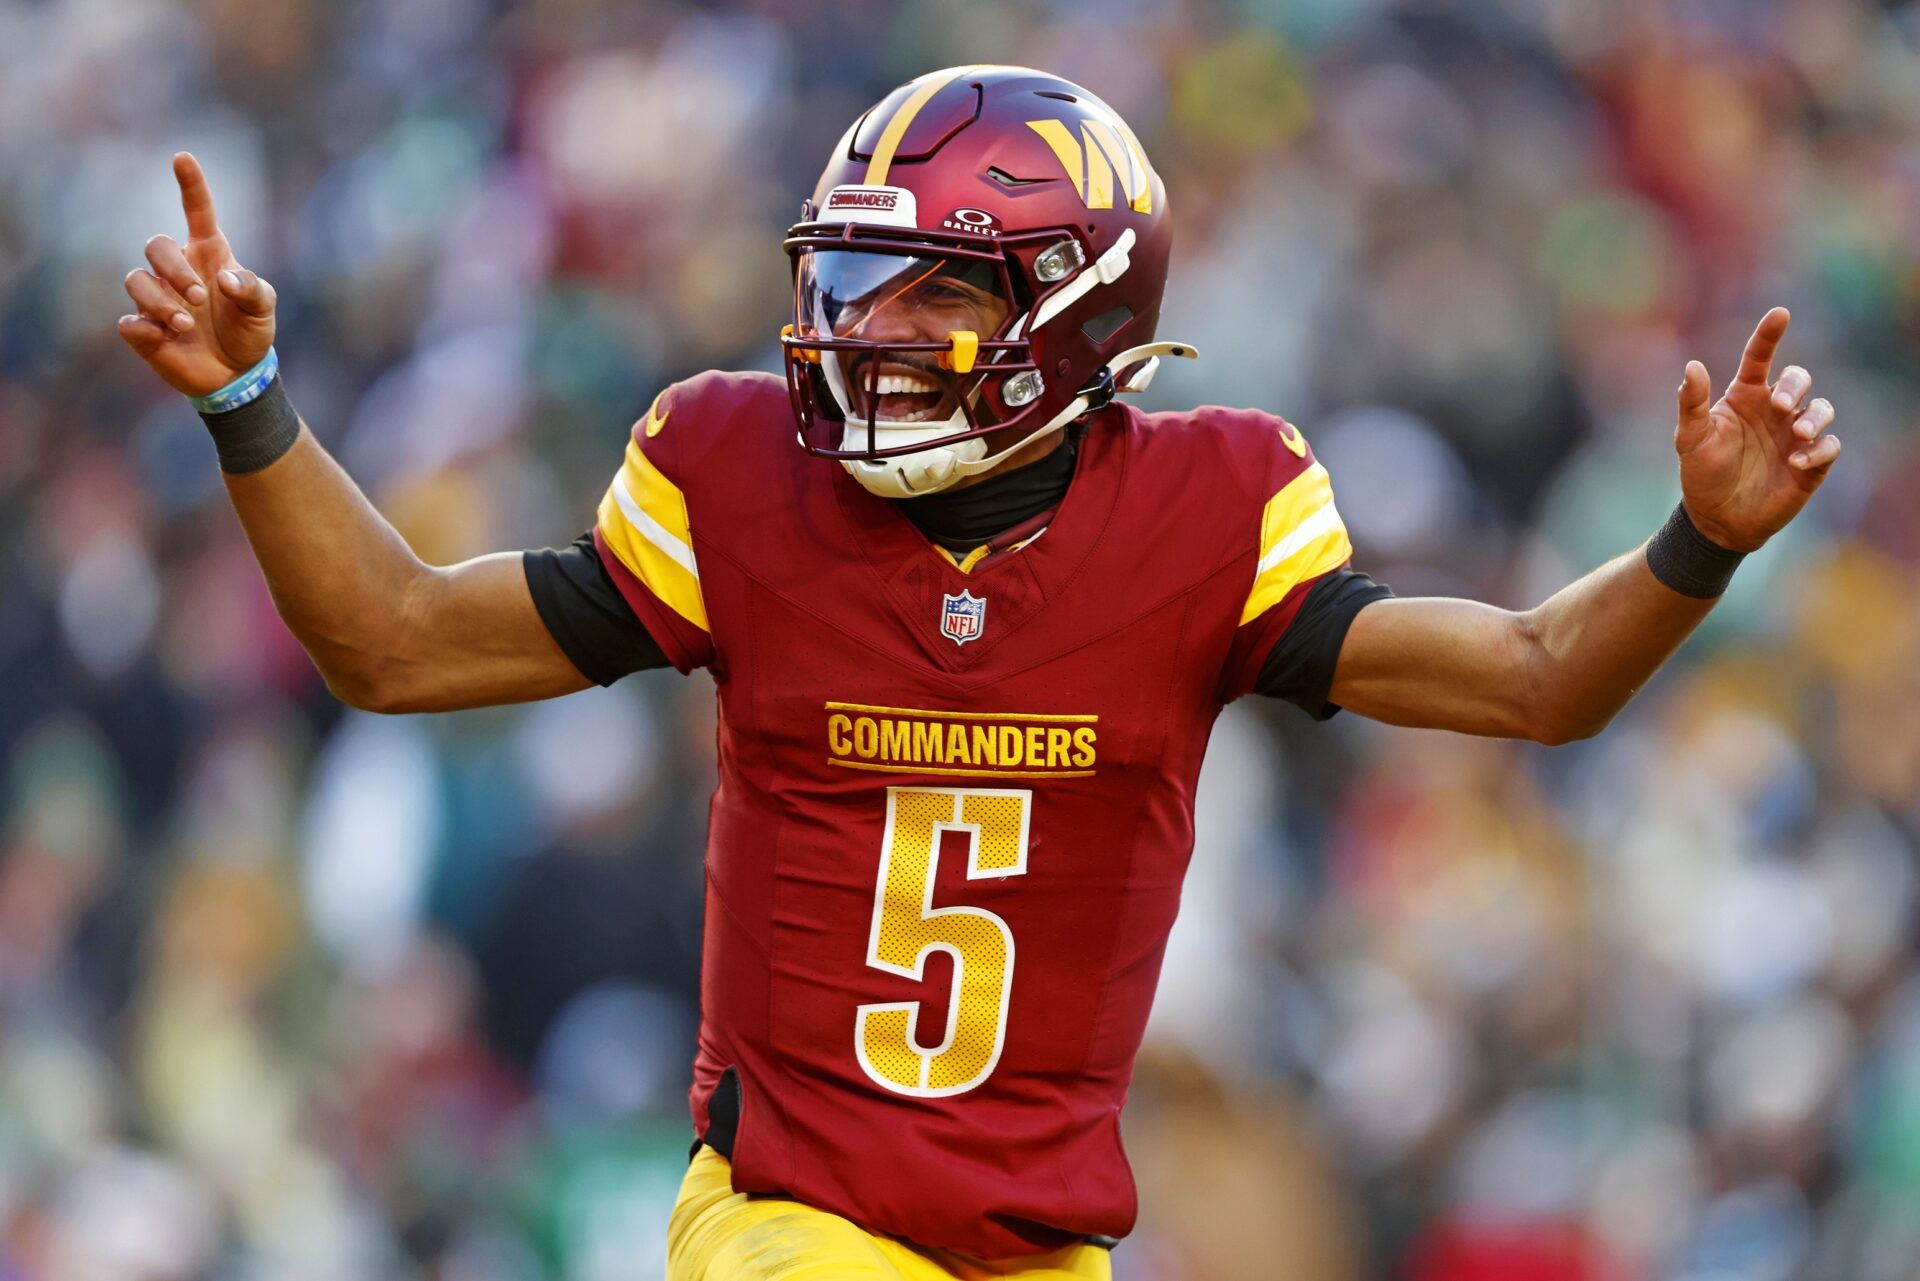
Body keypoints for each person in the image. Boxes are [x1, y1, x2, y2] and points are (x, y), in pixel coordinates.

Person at [118, 65, 1839, 1281]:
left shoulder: (1207, 513)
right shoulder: (741, 480)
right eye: (851, 283)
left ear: (1080, 322)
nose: (862, 332)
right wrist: (242, 406)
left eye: (925, 297)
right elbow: (396, 642)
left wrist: (1698, 544)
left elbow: (1541, 679)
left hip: (1034, 1251)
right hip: (786, 1221)